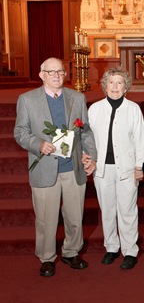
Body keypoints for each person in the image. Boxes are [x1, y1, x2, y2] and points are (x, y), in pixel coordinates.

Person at [14, 57, 97, 277]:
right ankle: (47, 257)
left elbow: (85, 131)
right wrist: (38, 144)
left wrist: (92, 157)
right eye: (51, 72)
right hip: (44, 169)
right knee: (45, 218)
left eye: (60, 71)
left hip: (72, 167)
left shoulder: (77, 98)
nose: (56, 76)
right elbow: (20, 132)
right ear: (42, 75)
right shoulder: (27, 100)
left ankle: (71, 252)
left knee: (74, 216)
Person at [84, 67, 144, 269]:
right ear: (105, 85)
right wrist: (88, 159)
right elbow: (88, 139)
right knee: (108, 210)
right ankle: (111, 247)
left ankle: (130, 250)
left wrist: (139, 166)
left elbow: (140, 140)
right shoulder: (94, 109)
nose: (115, 87)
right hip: (102, 169)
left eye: (119, 82)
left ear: (126, 86)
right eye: (111, 82)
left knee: (127, 210)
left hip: (127, 169)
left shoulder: (133, 109)